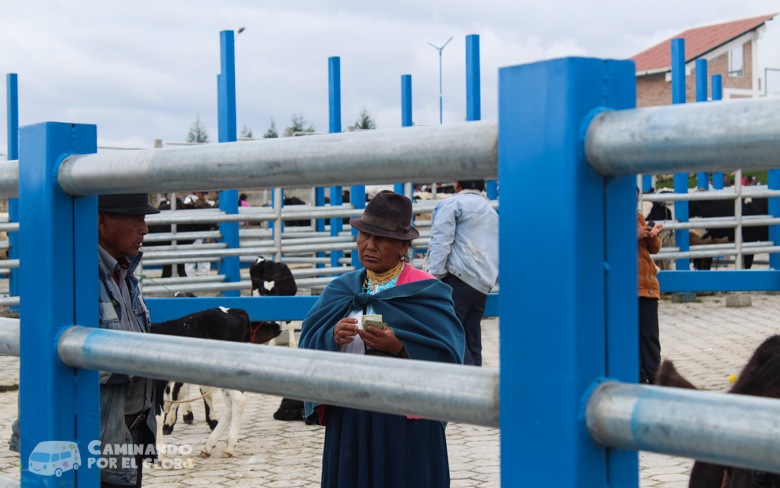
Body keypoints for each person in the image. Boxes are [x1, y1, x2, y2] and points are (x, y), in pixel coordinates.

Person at [299, 190, 464, 488]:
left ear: (403, 246)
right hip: (350, 414)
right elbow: (309, 339)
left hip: (403, 418)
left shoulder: (428, 292)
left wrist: (400, 346)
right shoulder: (341, 288)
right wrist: (332, 337)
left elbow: (449, 354)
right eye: (364, 235)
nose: (369, 246)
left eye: (383, 239)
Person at [10, 193, 160, 487]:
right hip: (88, 438)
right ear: (102, 221)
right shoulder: (74, 276)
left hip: (128, 430)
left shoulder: (124, 273)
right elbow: (58, 356)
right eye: (137, 219)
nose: (144, 229)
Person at [424, 179, 499, 367]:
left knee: (451, 332)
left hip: (456, 279)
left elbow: (441, 240)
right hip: (482, 285)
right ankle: (478, 382)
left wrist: (434, 277)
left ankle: (466, 381)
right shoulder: (491, 212)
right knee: (472, 338)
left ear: (457, 184)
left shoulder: (452, 204)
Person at [638, 192, 664, 384]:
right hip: (629, 286)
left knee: (650, 335)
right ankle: (637, 378)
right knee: (632, 336)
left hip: (647, 286)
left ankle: (656, 378)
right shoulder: (609, 216)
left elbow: (653, 249)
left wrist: (652, 235)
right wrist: (634, 234)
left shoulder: (638, 216)